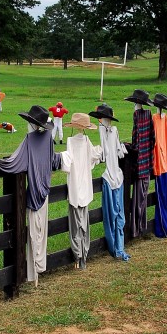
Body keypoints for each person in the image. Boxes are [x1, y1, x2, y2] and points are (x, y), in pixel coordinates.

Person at [0, 105, 61, 287]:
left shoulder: (29, 140)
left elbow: (14, 161)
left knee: (33, 235)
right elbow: (53, 161)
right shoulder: (48, 139)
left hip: (34, 193)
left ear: (32, 124)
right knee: (41, 234)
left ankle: (33, 273)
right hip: (45, 191)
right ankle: (38, 270)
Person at [59, 113, 102, 270]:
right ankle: (82, 254)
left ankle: (78, 255)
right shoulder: (86, 141)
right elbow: (93, 157)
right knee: (84, 220)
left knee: (75, 222)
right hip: (85, 185)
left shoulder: (71, 141)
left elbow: (67, 161)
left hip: (75, 185)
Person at [89, 103, 130, 261]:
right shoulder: (104, 130)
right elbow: (106, 154)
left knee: (116, 214)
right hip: (113, 175)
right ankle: (116, 247)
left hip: (115, 175)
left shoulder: (112, 131)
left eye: (101, 118)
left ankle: (118, 247)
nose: (100, 121)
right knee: (114, 214)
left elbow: (106, 154)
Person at [125, 89, 155, 238]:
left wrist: (128, 146)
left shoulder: (136, 115)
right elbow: (152, 138)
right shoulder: (149, 115)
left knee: (137, 199)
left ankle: (136, 229)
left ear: (136, 103)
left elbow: (136, 141)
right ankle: (143, 226)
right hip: (148, 162)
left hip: (139, 164)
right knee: (144, 196)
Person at [151, 93, 167, 238]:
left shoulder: (160, 119)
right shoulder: (158, 118)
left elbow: (166, 138)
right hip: (161, 163)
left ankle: (163, 228)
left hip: (162, 162)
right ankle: (162, 228)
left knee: (164, 195)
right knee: (164, 195)